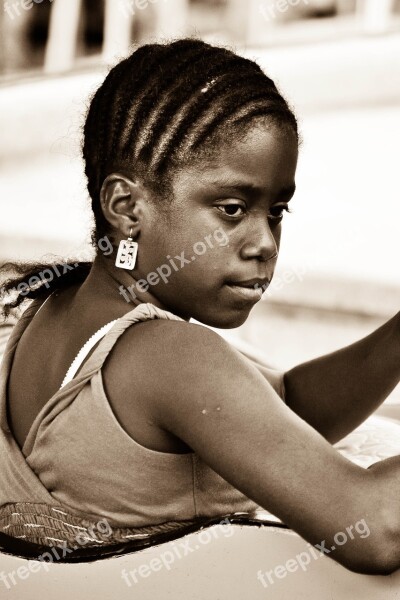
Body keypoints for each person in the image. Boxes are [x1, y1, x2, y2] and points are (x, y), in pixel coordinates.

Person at [0, 38, 399, 575]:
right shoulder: (168, 355)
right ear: (126, 206)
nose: (264, 242)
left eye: (277, 211)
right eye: (232, 209)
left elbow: (280, 414)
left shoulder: (45, 311)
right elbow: (374, 528)